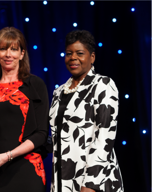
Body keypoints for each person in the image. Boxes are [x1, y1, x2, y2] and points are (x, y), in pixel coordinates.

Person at [49, 30, 124, 192]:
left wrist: (90, 183)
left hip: (94, 180)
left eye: (80, 53)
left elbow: (105, 136)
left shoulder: (103, 84)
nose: (73, 57)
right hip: (63, 179)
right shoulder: (59, 92)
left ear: (92, 57)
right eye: (69, 53)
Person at [0, 27, 49, 192]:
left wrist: (8, 156)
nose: (8, 54)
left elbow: (41, 134)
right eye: (3, 49)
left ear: (22, 54)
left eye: (14, 49)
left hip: (27, 171)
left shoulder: (35, 85)